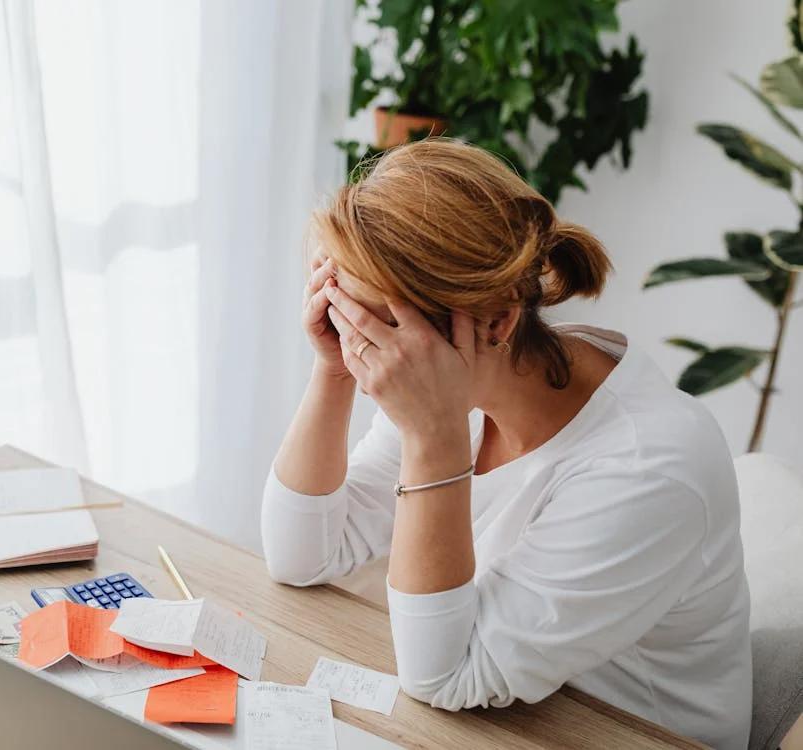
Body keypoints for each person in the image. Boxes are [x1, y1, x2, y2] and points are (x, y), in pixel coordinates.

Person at [261, 139, 752, 749]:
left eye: (371, 325)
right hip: (508, 715)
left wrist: (433, 438)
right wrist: (331, 370)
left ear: (495, 321)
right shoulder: (461, 374)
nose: (364, 351)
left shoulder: (647, 468)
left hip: (621, 733)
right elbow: (302, 556)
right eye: (339, 314)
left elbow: (443, 676)